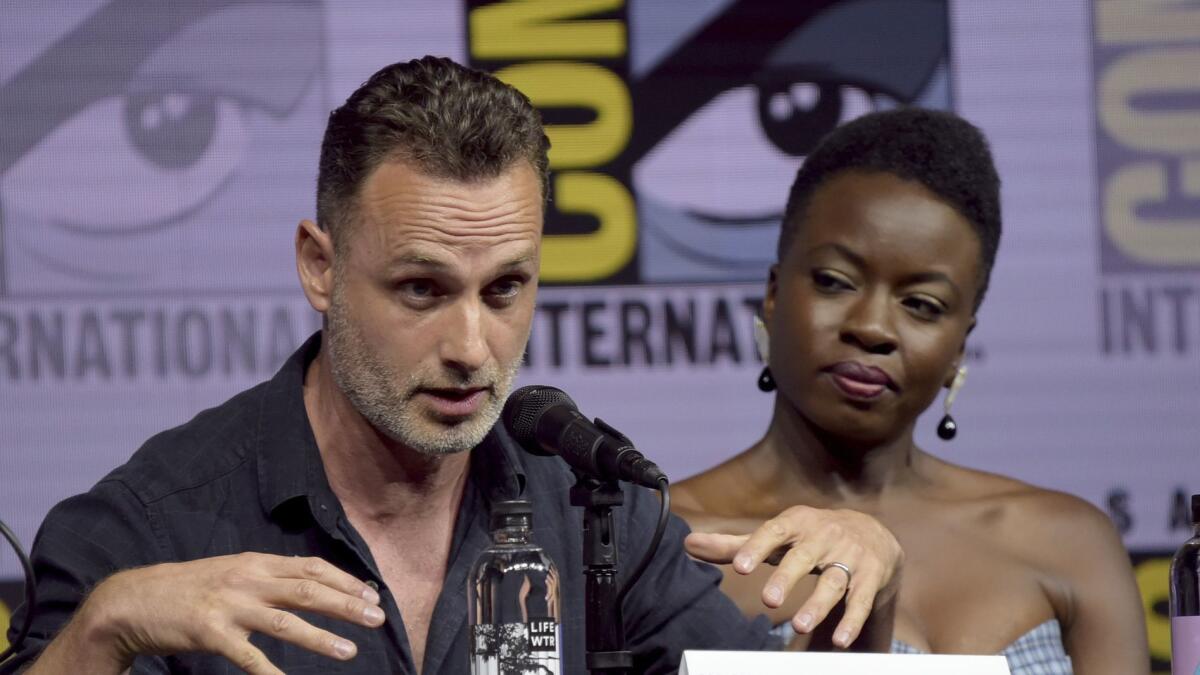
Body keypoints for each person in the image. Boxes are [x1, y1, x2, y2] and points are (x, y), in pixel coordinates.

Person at [2, 57, 904, 675]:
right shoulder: (154, 525)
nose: (473, 348)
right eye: (423, 289)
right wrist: (104, 629)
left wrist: (866, 611)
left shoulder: (596, 510)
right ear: (320, 267)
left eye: (506, 288)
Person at [671, 108, 1150, 673]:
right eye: (835, 282)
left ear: (959, 347)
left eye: (922, 305)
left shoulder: (1070, 542)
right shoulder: (676, 543)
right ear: (773, 296)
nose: (872, 327)